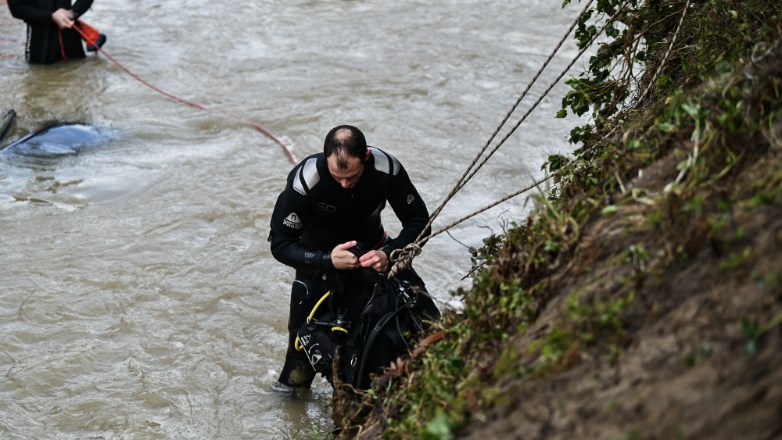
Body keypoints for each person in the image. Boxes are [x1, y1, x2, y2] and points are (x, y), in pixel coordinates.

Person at [269, 125, 439, 389]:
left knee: (428, 324)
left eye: (352, 176)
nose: (345, 184)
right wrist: (327, 259)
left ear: (366, 157)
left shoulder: (386, 169)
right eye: (337, 177)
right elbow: (281, 244)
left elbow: (419, 223)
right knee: (298, 366)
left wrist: (389, 254)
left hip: (377, 257)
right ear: (325, 157)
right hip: (319, 267)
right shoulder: (306, 180)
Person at [7, 0, 95, 64]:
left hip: (69, 34)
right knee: (37, 73)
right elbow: (16, 8)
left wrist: (73, 12)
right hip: (39, 43)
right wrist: (51, 16)